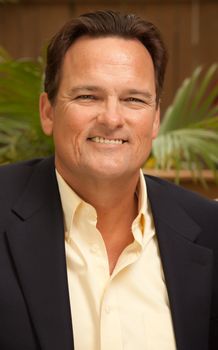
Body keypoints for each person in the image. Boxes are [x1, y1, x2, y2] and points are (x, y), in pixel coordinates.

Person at [0, 10, 217, 350]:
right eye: (88, 96)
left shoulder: (210, 232)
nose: (112, 118)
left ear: (156, 118)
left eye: (133, 99)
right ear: (48, 111)